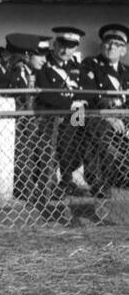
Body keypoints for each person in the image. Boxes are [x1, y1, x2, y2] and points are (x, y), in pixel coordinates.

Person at [35, 26, 88, 194]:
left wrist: (78, 104)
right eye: (62, 45)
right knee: (55, 146)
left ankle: (70, 179)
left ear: (76, 48)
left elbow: (84, 92)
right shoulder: (44, 64)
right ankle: (53, 183)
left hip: (76, 113)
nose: (65, 50)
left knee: (76, 142)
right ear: (55, 44)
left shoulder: (76, 67)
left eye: (70, 47)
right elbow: (44, 94)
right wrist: (70, 104)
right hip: (52, 115)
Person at [79, 23, 129, 196]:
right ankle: (100, 183)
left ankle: (122, 178)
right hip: (94, 116)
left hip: (123, 119)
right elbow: (90, 96)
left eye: (117, 44)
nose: (112, 47)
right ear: (102, 46)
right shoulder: (90, 64)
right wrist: (110, 117)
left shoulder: (126, 72)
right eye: (108, 43)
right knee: (99, 132)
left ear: (124, 50)